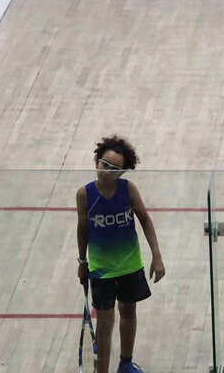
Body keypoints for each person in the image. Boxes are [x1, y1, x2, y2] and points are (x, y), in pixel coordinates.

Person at [77, 135, 165, 373]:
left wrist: (157, 256)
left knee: (128, 312)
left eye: (114, 168)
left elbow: (145, 220)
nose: (107, 171)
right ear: (97, 161)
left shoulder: (128, 190)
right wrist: (82, 261)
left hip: (129, 265)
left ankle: (125, 364)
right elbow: (82, 229)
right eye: (104, 164)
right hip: (101, 270)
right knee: (105, 323)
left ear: (122, 172)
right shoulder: (84, 194)